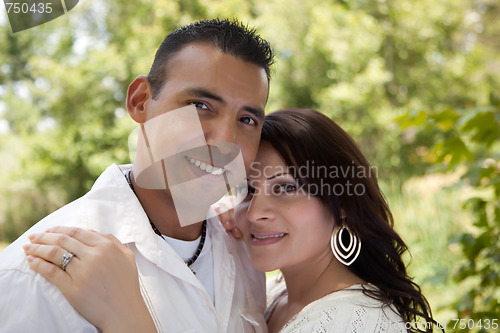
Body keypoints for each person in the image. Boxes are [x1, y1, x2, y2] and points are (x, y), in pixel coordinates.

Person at [25, 109, 440, 333]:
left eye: (284, 188)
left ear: (342, 203)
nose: (256, 211)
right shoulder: (280, 292)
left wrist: (129, 321)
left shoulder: (357, 324)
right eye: (249, 189)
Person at [0, 18, 274, 333]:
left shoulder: (245, 251)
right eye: (201, 105)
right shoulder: (37, 278)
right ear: (140, 101)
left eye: (247, 119)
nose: (226, 141)